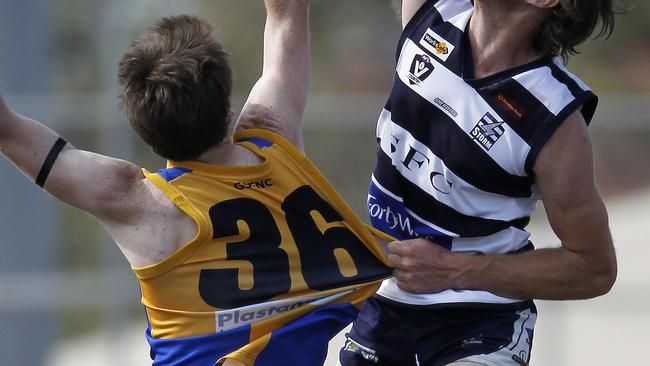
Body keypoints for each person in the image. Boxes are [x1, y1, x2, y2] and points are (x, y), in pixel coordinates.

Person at [0, 1, 393, 365]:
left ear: (145, 132)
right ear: (227, 111)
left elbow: (11, 131)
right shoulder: (275, 137)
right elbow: (287, 12)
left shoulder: (145, 204)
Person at [340, 0, 618, 365]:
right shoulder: (434, 12)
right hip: (384, 303)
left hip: (480, 321)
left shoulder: (554, 117)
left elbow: (594, 268)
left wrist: (455, 270)